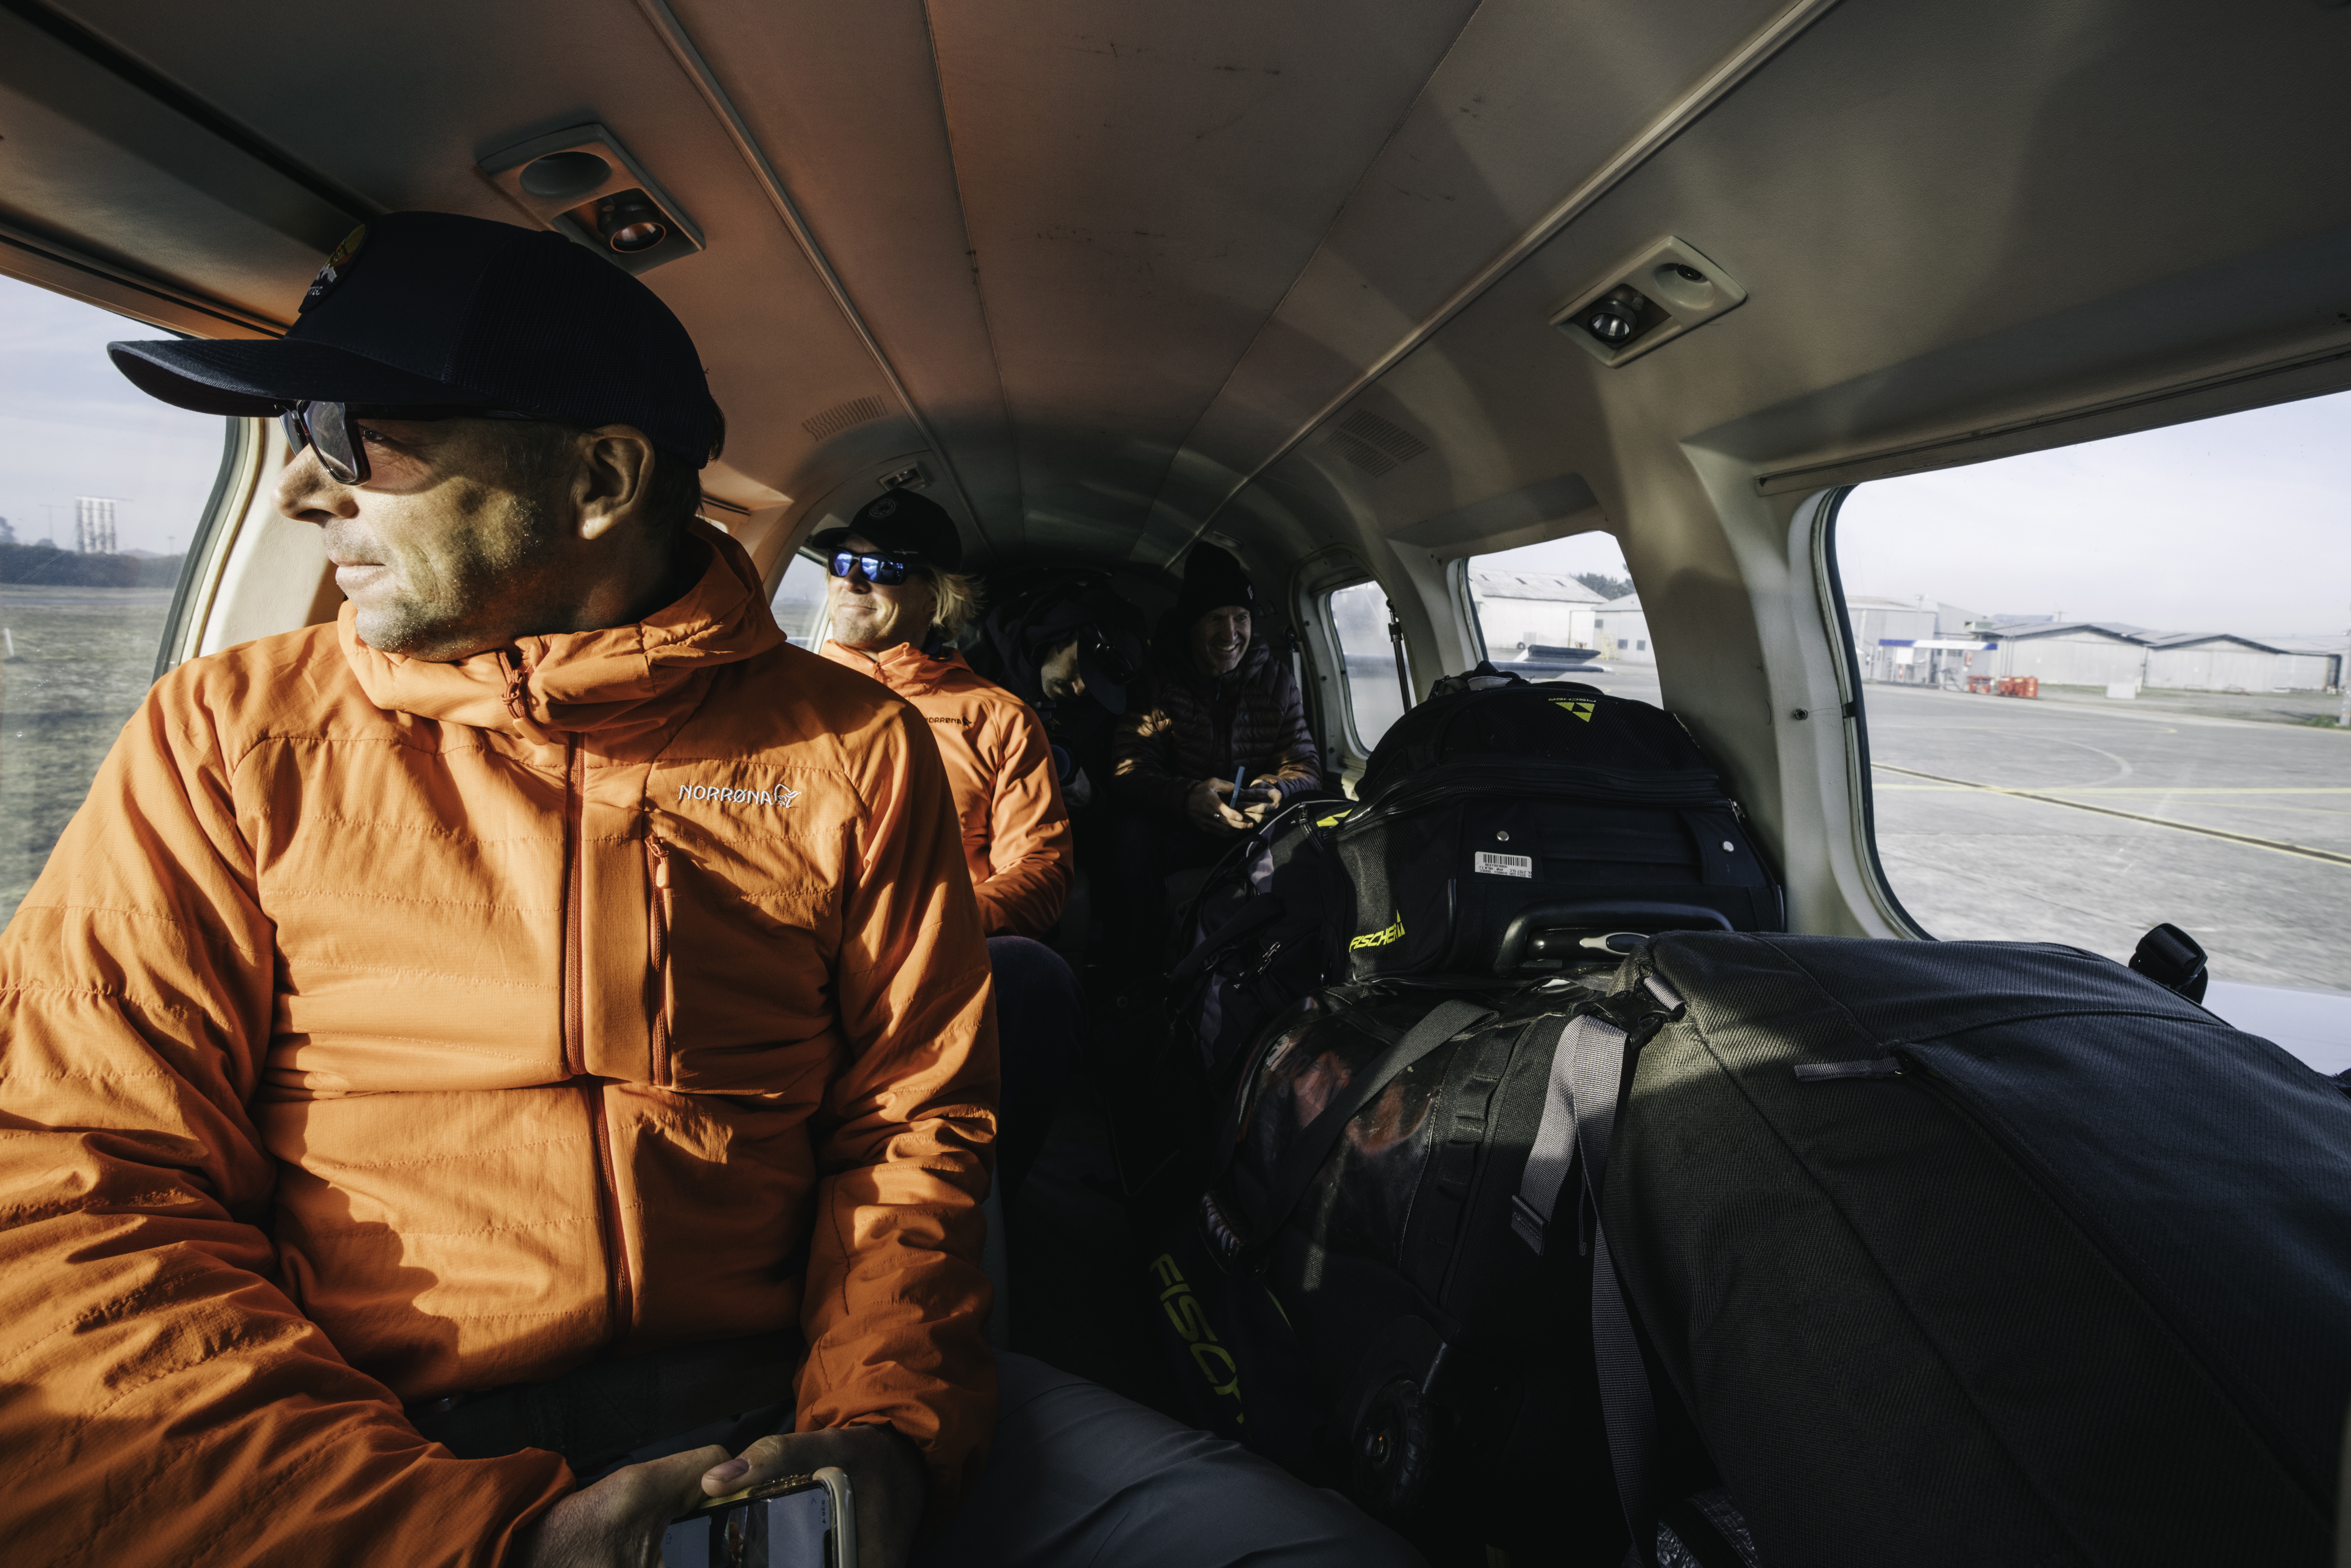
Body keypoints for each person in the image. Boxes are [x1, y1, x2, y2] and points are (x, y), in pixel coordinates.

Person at [0, 211, 1422, 1568]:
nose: (307, 490)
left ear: (602, 479)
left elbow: (911, 1129)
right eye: (291, 440)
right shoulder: (221, 737)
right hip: (367, 1427)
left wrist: (885, 1428)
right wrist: (463, 1533)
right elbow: (78, 1184)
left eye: (353, 437)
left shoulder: (846, 749)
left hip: (781, 1396)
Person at [815, 494, 1079, 1201]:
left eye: (885, 567)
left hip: (938, 956)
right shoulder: (785, 699)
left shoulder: (998, 718)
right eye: (845, 562)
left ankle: (986, 1202)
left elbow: (1043, 871)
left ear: (938, 596)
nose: (854, 580)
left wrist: (942, 925)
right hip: (800, 942)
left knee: (1036, 976)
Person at [1108, 543, 1322, 970]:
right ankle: (1138, 980)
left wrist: (1275, 791)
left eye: (1240, 618)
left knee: (1315, 837)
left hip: (1250, 830)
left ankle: (1289, 972)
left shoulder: (1275, 680)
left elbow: (1307, 767)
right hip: (1178, 829)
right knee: (1129, 835)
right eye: (1215, 619)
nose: (1230, 635)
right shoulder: (1158, 677)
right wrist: (1188, 798)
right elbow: (1128, 769)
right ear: (1192, 624)